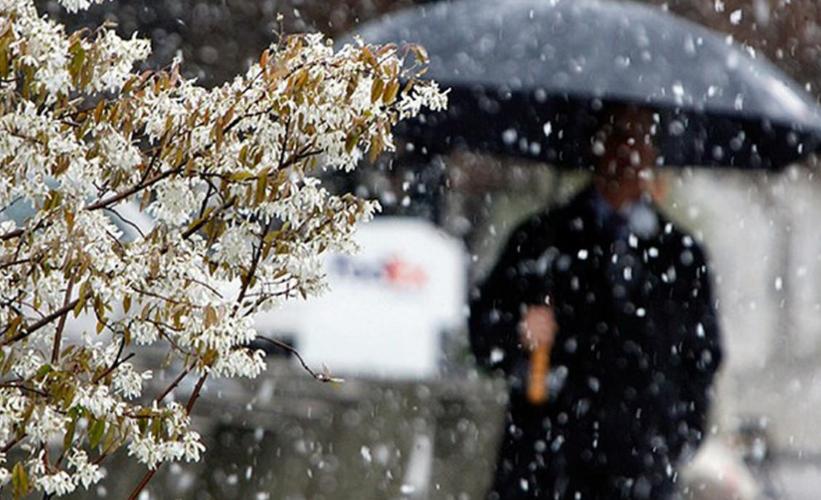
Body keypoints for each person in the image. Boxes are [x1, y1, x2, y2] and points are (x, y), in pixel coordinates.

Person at [469, 106, 723, 499]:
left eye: (640, 138)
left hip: (641, 467)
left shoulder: (680, 256)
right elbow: (483, 334)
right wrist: (517, 331)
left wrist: (675, 435)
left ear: (654, 153)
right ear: (596, 145)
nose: (627, 151)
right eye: (618, 135)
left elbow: (702, 356)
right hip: (545, 465)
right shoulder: (540, 240)